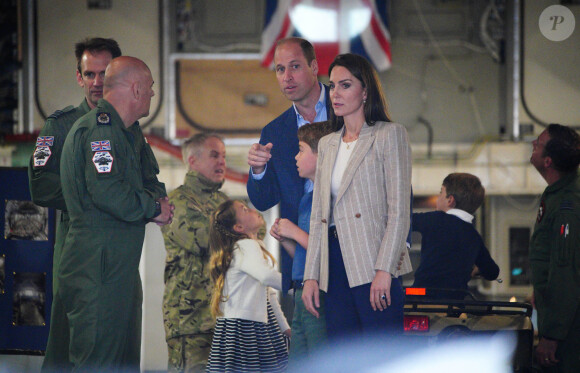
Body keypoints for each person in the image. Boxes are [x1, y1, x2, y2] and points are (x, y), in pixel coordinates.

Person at [58, 56, 173, 371]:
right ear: (135, 89)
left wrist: (155, 202)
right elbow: (108, 191)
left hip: (115, 269)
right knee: (98, 363)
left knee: (121, 363)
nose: (151, 94)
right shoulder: (100, 131)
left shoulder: (127, 133)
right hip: (97, 269)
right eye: (149, 88)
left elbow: (150, 182)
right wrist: (152, 208)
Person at [302, 53, 412, 340]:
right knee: (343, 356)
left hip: (373, 262)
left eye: (345, 85)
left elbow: (399, 211)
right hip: (335, 265)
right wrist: (311, 276)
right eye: (332, 85)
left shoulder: (390, 135)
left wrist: (385, 270)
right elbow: (318, 217)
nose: (335, 93)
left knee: (381, 357)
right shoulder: (326, 144)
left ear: (365, 92)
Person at [247, 37, 331, 293]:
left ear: (314, 67)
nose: (287, 77)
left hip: (348, 244)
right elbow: (263, 201)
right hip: (300, 260)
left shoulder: (347, 112)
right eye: (280, 69)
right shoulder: (274, 131)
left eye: (295, 66)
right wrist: (258, 171)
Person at [161, 133, 228, 373]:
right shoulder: (177, 201)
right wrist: (238, 231)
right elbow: (201, 241)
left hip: (223, 320)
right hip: (190, 320)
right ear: (193, 161)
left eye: (223, 156)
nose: (222, 162)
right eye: (214, 155)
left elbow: (257, 230)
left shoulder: (224, 201)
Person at [269, 121, 334, 366]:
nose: (296, 156)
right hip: (300, 288)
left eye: (301, 149)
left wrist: (295, 232)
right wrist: (287, 240)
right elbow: (306, 253)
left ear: (322, 155)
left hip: (320, 292)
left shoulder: (331, 198)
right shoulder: (307, 199)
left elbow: (330, 248)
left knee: (318, 361)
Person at [206, 200, 291, 372]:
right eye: (245, 210)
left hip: (243, 325)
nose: (252, 210)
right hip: (246, 328)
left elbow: (269, 294)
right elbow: (267, 276)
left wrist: (284, 327)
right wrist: (299, 285)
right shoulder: (246, 246)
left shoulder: (248, 247)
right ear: (238, 227)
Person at [529, 123, 580, 372]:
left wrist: (552, 337)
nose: (532, 145)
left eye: (537, 144)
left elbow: (565, 272)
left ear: (548, 161)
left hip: (569, 335)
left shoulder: (566, 206)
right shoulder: (557, 194)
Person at [411, 173, 499, 296]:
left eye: (441, 192)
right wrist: (477, 270)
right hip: (455, 302)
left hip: (423, 294)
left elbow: (403, 222)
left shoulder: (434, 219)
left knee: (404, 292)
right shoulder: (474, 236)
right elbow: (493, 272)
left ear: (450, 200)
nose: (438, 197)